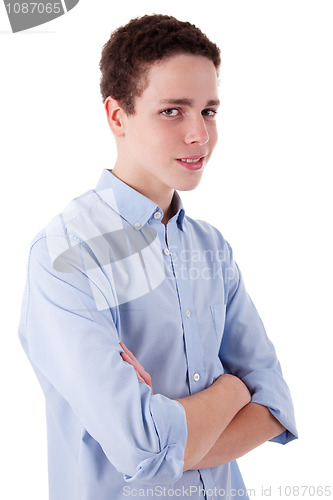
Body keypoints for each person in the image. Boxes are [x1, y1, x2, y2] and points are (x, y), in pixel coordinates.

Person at [18, 14, 297, 500]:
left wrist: (174, 439)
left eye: (209, 110)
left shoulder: (212, 250)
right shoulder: (63, 256)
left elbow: (274, 404)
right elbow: (142, 447)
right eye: (173, 110)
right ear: (116, 116)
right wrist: (233, 390)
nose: (200, 135)